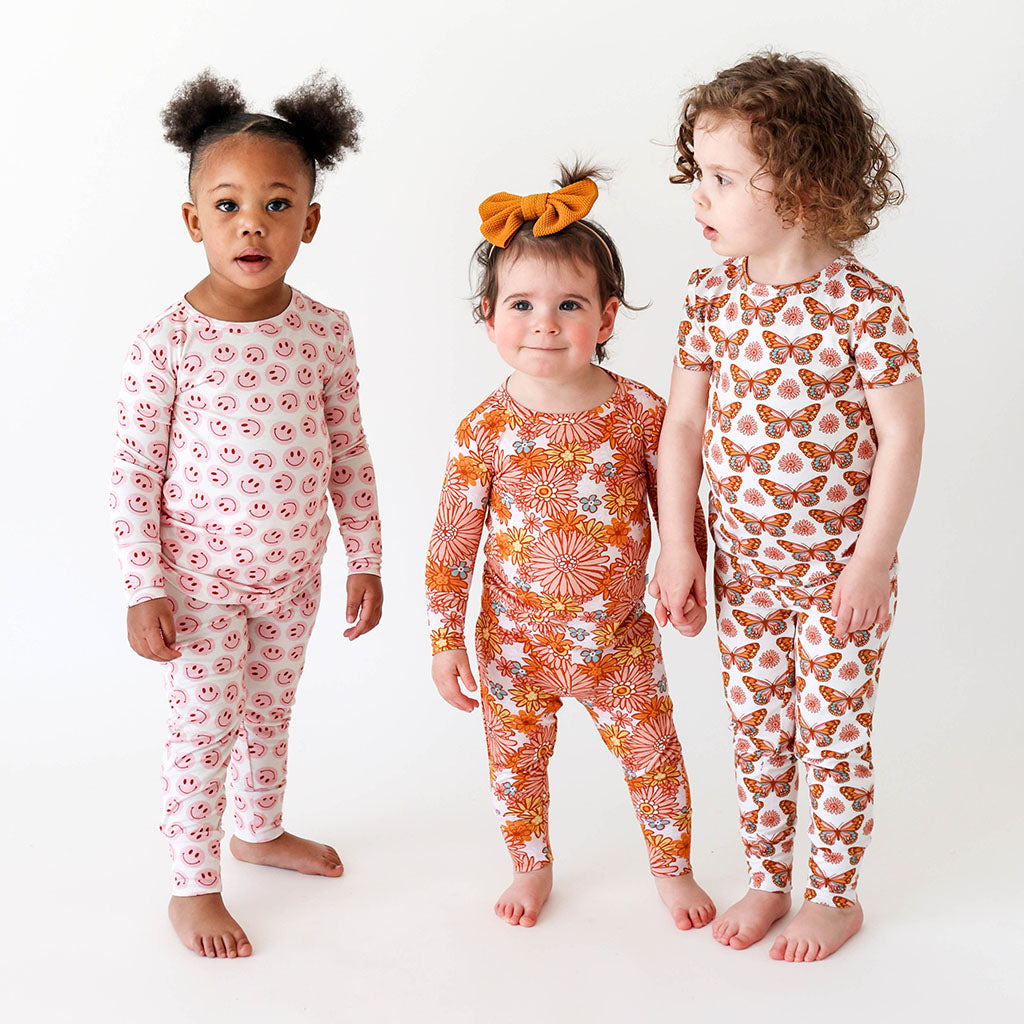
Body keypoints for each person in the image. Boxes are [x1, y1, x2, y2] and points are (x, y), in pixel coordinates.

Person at [650, 53, 924, 962]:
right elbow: (682, 427)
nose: (701, 196)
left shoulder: (866, 308)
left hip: (840, 578)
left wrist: (871, 561)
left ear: (804, 187)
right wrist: (680, 545)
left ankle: (834, 896)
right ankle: (768, 878)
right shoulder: (710, 297)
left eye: (725, 179)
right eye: (699, 174)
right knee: (759, 731)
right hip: (746, 573)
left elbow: (902, 440)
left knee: (833, 737)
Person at [110, 70, 383, 958]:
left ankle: (258, 830)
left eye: (276, 204)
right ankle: (191, 886)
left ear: (311, 220)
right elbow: (133, 475)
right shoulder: (168, 342)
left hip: (294, 578)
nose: (252, 224)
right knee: (202, 731)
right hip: (200, 584)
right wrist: (143, 586)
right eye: (227, 205)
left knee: (269, 713)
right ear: (195, 221)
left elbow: (349, 452)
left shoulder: (326, 331)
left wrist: (366, 558)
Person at [426, 166, 715, 930]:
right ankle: (531, 867)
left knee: (655, 756)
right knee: (515, 769)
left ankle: (673, 868)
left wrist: (688, 579)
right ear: (489, 318)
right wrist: (444, 638)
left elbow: (679, 508)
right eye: (521, 304)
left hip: (619, 641)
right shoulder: (484, 430)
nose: (544, 324)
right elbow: (452, 542)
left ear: (607, 316)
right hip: (514, 646)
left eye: (569, 305)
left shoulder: (642, 413)